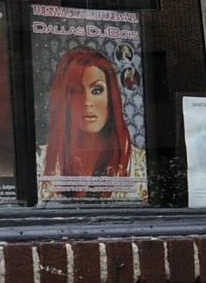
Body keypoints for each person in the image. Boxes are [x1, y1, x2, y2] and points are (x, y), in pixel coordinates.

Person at [38, 45, 145, 194]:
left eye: (97, 90)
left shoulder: (140, 165)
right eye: (76, 92)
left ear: (111, 96)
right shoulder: (39, 162)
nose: (87, 101)